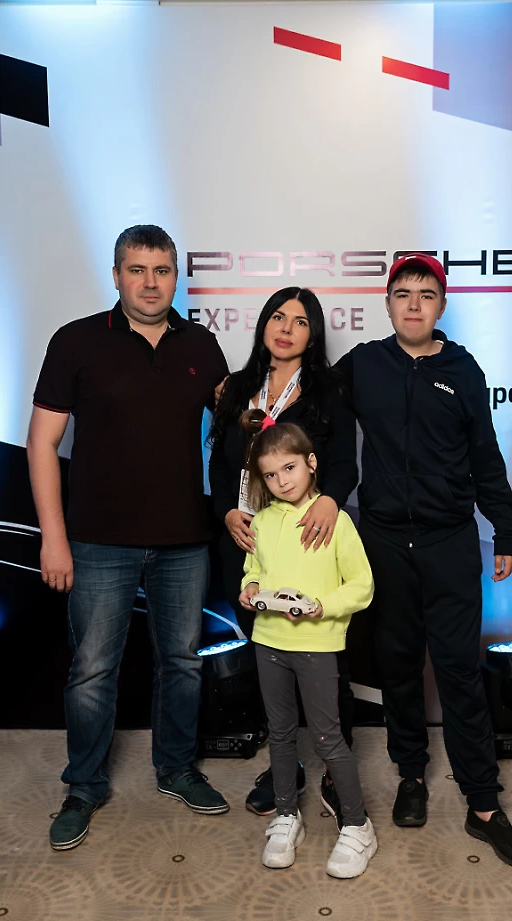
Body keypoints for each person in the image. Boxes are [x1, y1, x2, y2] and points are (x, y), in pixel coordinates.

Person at [27, 225, 230, 851]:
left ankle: (176, 769)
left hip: (184, 540)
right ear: (116, 275)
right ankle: (84, 786)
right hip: (96, 542)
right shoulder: (76, 341)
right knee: (93, 671)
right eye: (137, 270)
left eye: (162, 270)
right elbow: (42, 443)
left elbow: (244, 430)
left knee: (183, 663)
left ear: (176, 277)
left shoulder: (202, 346)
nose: (150, 283)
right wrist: (53, 538)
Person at [335, 253, 512, 869]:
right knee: (398, 667)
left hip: (449, 541)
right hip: (384, 542)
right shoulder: (364, 364)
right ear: (388, 304)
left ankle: (484, 805)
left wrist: (507, 530)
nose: (414, 304)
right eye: (403, 294)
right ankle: (411, 777)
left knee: (457, 671)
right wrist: (239, 391)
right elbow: (304, 396)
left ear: (442, 306)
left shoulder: (463, 369)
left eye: (426, 295)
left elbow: (485, 455)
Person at [209, 287, 358, 821]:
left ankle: (337, 771)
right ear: (264, 325)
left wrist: (332, 502)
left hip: (307, 539)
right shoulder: (236, 389)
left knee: (322, 658)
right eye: (278, 316)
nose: (286, 328)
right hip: (249, 541)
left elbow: (344, 462)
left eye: (299, 321)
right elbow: (219, 466)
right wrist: (227, 512)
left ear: (312, 335)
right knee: (267, 655)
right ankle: (283, 767)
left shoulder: (327, 389)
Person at [238, 419, 377, 878]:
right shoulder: (262, 520)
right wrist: (250, 586)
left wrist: (321, 607)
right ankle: (286, 815)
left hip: (317, 644)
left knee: (327, 738)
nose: (282, 481)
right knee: (280, 734)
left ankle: (357, 825)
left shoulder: (336, 520)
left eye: (290, 468)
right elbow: (254, 567)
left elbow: (362, 585)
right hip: (267, 641)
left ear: (311, 463)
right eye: (271, 475)